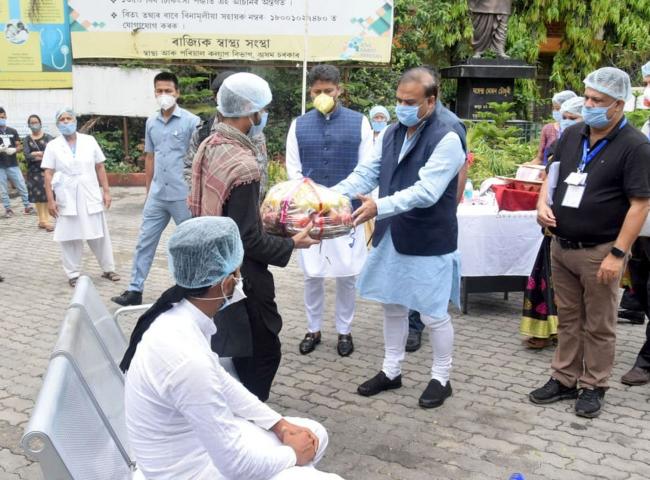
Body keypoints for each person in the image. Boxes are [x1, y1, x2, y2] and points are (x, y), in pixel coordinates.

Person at [121, 216, 343, 480]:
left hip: (195, 450)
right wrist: (293, 455)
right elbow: (235, 464)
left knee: (314, 434)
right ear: (226, 283)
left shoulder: (178, 318)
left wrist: (279, 425)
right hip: (188, 472)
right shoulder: (187, 358)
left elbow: (222, 382)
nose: (240, 281)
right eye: (238, 273)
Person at [333, 66, 465, 409]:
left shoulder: (448, 136)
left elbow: (427, 191)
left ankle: (441, 378)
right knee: (392, 304)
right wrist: (329, 197)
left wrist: (379, 206)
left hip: (428, 237)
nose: (401, 107)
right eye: (398, 100)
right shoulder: (393, 132)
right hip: (392, 233)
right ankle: (391, 371)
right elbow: (367, 172)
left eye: (410, 102)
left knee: (433, 313)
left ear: (431, 101)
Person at [190, 72, 318, 401]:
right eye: (262, 109)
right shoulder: (243, 165)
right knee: (263, 352)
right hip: (241, 274)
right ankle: (251, 414)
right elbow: (247, 239)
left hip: (211, 263)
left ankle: (237, 406)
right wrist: (292, 243)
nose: (264, 116)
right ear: (250, 112)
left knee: (233, 344)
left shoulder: (210, 145)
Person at [530, 67, 650, 418]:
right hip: (561, 245)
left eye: (598, 100)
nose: (589, 105)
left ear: (618, 105)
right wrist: (541, 204)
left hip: (600, 251)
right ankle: (564, 378)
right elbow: (551, 174)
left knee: (599, 324)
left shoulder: (635, 147)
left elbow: (640, 204)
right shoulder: (573, 134)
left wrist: (618, 253)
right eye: (587, 97)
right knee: (568, 319)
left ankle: (594, 385)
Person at [286, 64, 373, 357]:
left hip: (346, 212)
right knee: (312, 275)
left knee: (347, 275)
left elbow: (366, 168)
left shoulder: (360, 122)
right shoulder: (298, 125)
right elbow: (293, 170)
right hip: (309, 213)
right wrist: (310, 199)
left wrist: (338, 198)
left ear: (339, 90)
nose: (322, 95)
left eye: (328, 90)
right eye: (317, 91)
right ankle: (313, 329)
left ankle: (344, 331)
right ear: (310, 93)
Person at [112, 72, 200, 306]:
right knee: (144, 241)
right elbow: (150, 157)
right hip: (158, 195)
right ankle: (134, 290)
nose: (163, 95)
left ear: (177, 93)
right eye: (159, 91)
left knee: (191, 243)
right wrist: (148, 190)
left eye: (168, 91)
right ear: (154, 93)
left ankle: (196, 290)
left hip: (183, 196)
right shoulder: (151, 122)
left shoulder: (192, 122)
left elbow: (200, 159)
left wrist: (197, 193)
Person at [520, 96, 584, 350]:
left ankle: (571, 335)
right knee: (546, 279)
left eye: (572, 118)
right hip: (554, 224)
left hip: (584, 230)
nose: (565, 122)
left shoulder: (602, 147)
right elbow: (550, 176)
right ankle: (545, 330)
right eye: (563, 117)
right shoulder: (561, 143)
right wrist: (543, 205)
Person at [42, 107, 120, 287]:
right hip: (66, 196)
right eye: (62, 119)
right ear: (57, 124)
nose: (66, 122)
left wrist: (106, 191)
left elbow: (100, 166)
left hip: (89, 193)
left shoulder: (89, 141)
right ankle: (73, 274)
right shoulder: (53, 145)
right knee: (69, 237)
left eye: (69, 118)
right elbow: (48, 173)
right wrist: (50, 200)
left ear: (75, 121)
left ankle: (108, 269)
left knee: (99, 234)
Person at [184, 70, 270, 196]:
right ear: (217, 97)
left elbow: (261, 171)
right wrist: (207, 196)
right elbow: (189, 169)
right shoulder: (203, 133)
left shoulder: (254, 132)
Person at [0, 107, 34, 218]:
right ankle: (8, 209)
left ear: (6, 117)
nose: (1, 119)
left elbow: (19, 146)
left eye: (3, 117)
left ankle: (27, 206)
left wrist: (14, 149)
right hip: (0, 166)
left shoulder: (12, 131)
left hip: (13, 164)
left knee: (22, 186)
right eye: (0, 117)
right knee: (3, 189)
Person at [23, 114, 55, 231]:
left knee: (47, 195)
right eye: (32, 123)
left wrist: (35, 154)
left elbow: (52, 153)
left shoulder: (49, 138)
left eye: (36, 122)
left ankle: (47, 220)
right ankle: (42, 220)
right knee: (38, 196)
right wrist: (41, 154)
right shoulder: (27, 139)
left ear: (40, 123)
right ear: (29, 125)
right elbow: (27, 155)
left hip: (47, 170)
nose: (34, 124)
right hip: (34, 172)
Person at [530, 90, 577, 165]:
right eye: (554, 108)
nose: (555, 111)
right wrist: (528, 166)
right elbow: (539, 158)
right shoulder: (548, 129)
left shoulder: (580, 130)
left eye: (558, 109)